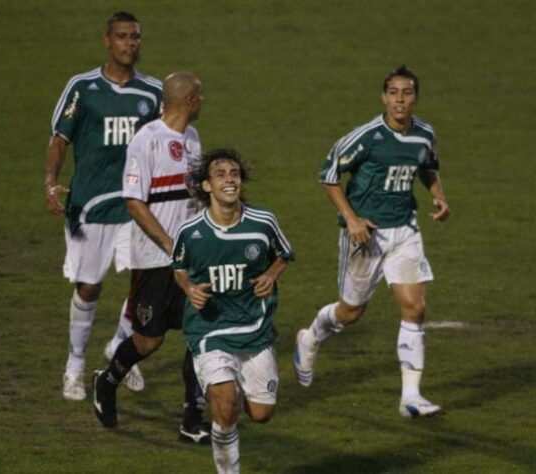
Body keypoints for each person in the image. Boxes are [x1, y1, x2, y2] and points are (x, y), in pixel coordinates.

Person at [294, 65, 451, 418]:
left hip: (405, 229)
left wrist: (438, 195)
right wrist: (351, 219)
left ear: (416, 98)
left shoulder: (425, 134)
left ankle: (410, 396)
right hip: (366, 234)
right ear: (384, 97)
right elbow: (328, 174)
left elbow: (427, 165)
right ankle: (311, 338)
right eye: (393, 93)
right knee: (351, 311)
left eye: (407, 93)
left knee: (415, 307)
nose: (400, 100)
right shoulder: (366, 137)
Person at [44, 11, 161, 401]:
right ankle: (75, 363)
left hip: (136, 206)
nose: (131, 43)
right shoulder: (83, 87)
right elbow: (60, 138)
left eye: (136, 37)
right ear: (107, 41)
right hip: (90, 206)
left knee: (143, 285)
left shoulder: (153, 93)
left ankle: (119, 350)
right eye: (123, 36)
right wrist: (50, 181)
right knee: (89, 286)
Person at [92, 71, 212, 443]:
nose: (203, 101)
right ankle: (107, 382)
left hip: (191, 260)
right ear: (189, 101)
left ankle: (192, 421)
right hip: (154, 260)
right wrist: (168, 244)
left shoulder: (192, 139)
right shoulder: (147, 140)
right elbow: (134, 202)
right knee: (149, 341)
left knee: (202, 335)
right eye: (200, 96)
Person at [173, 149, 293, 473]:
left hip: (254, 327)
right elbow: (179, 267)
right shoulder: (191, 232)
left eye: (234, 174)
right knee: (225, 408)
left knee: (261, 414)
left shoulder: (263, 223)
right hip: (209, 330)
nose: (230, 179)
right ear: (207, 186)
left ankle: (235, 384)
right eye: (221, 174)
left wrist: (270, 275)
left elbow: (284, 254)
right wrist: (190, 289)